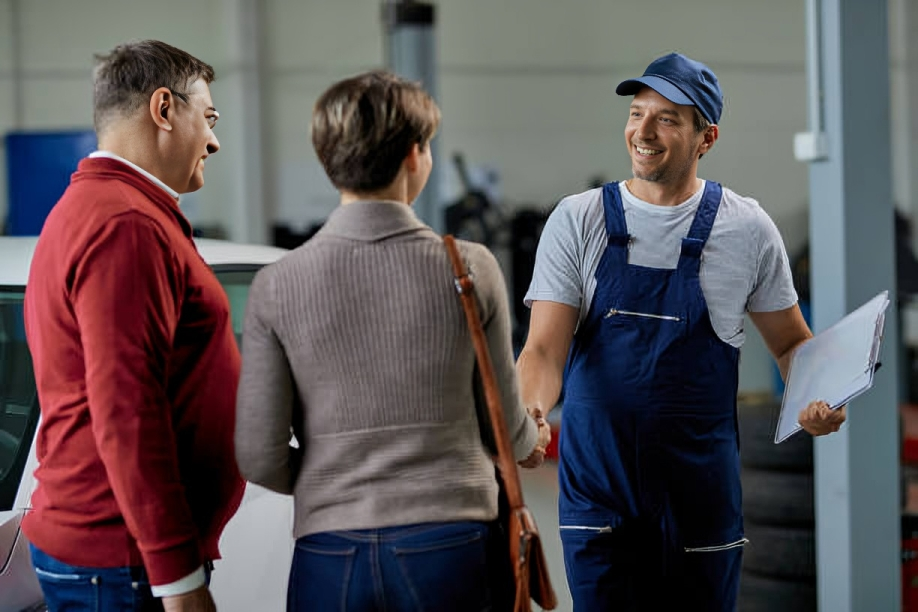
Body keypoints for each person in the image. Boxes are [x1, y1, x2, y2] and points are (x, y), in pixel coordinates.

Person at [516, 52, 845, 611]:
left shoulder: (747, 229)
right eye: (637, 112)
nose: (642, 131)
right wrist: (532, 409)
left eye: (667, 118)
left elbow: (791, 343)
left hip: (700, 498)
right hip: (599, 497)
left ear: (705, 137)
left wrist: (817, 396)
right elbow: (545, 348)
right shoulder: (578, 220)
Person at [234, 70, 550, 612]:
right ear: (413, 156)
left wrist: (331, 482)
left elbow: (258, 456)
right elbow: (502, 427)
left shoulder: (277, 284)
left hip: (328, 554)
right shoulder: (468, 269)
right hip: (451, 546)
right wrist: (533, 440)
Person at [23, 40, 240, 612]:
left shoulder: (107, 209)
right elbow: (127, 409)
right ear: (164, 109)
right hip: (123, 561)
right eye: (209, 118)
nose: (214, 141)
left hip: (118, 553)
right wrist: (178, 580)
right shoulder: (125, 225)